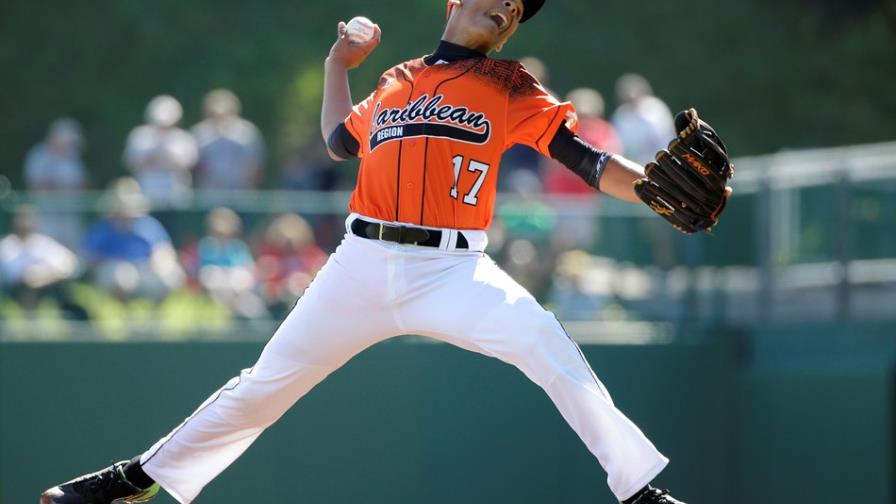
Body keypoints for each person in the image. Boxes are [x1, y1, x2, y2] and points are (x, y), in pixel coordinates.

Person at [42, 2, 692, 503]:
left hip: (453, 268)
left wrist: (656, 191)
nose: (509, 10)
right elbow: (337, 141)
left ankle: (638, 488)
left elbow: (588, 160)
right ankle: (136, 479)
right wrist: (335, 67)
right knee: (263, 390)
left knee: (548, 345)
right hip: (359, 263)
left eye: (519, 10)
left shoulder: (510, 82)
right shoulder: (396, 80)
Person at [83, 178, 184, 302]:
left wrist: (160, 261)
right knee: (122, 276)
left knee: (171, 275)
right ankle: (124, 315)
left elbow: (164, 250)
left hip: (146, 270)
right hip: (114, 272)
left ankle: (154, 316)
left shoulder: (148, 224)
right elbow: (91, 257)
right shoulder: (102, 228)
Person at [0, 206, 81, 316]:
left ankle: (75, 323)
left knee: (65, 292)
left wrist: (44, 276)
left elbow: (69, 262)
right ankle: (30, 327)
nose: (24, 224)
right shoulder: (7, 245)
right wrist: (37, 276)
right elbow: (14, 275)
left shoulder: (43, 242)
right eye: (21, 219)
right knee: (28, 291)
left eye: (28, 219)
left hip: (48, 285)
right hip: (15, 289)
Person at [23, 118, 88, 251]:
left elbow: (82, 184)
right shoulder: (39, 156)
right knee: (45, 252)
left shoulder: (73, 158)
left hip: (70, 214)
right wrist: (63, 188)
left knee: (72, 253)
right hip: (45, 216)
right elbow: (37, 186)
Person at [123, 95, 198, 209]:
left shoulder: (184, 139)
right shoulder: (139, 136)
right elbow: (131, 163)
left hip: (175, 198)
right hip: (144, 197)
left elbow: (188, 164)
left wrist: (160, 158)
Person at [191, 89, 265, 191]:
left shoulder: (248, 132)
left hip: (241, 192)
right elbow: (194, 164)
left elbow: (255, 165)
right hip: (209, 191)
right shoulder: (200, 133)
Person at [610, 73, 676, 166]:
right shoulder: (620, 115)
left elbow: (664, 138)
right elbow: (618, 144)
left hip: (661, 162)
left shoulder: (656, 109)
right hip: (632, 166)